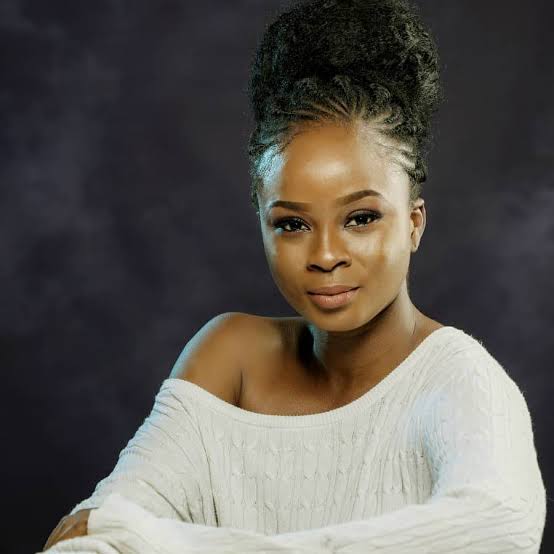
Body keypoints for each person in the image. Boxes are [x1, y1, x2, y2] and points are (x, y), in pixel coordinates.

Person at [42, 0, 547, 552]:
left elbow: (502, 529)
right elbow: (90, 537)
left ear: (413, 223)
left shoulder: (459, 380)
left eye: (361, 218)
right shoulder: (231, 360)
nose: (326, 255)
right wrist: (129, 532)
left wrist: (155, 539)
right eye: (292, 224)